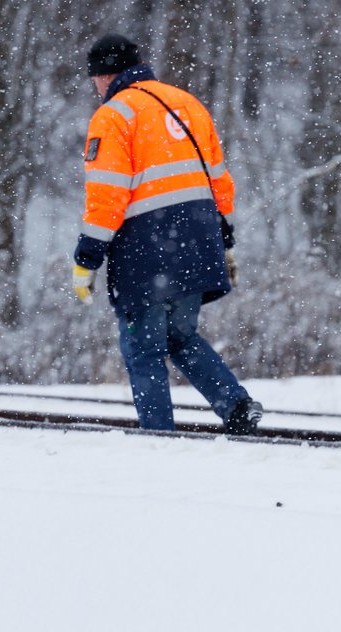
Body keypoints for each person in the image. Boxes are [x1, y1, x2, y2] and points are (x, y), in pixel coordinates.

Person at [71, 33, 263, 436]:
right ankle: (237, 406)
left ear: (104, 75)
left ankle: (157, 435)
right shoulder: (185, 103)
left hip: (147, 249)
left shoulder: (113, 116)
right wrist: (225, 240)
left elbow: (107, 194)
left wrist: (87, 258)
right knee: (180, 335)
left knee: (143, 348)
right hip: (198, 240)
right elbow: (219, 181)